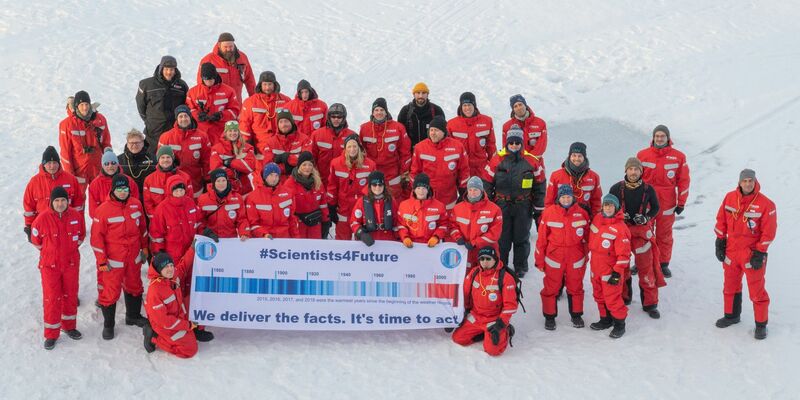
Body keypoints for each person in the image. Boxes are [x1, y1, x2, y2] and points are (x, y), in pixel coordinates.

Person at [714, 169, 776, 340]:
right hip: (732, 251)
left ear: (755, 182)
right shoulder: (729, 197)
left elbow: (769, 232)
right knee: (730, 286)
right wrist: (720, 241)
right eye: (744, 181)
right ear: (739, 182)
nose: (747, 184)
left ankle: (761, 325)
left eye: (750, 180)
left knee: (757, 290)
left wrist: (760, 252)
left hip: (752, 253)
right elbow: (721, 220)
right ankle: (731, 316)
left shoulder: (766, 204)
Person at [91, 175, 149, 340]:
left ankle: (133, 316)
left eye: (125, 189)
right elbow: (96, 238)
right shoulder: (103, 210)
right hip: (112, 260)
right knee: (110, 292)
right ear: (113, 190)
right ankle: (108, 325)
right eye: (119, 189)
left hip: (133, 256)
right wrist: (102, 260)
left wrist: (145, 248)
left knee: (135, 285)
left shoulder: (136, 205)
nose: (122, 192)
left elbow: (143, 228)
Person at [482, 127, 546, 277]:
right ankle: (501, 265)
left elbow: (540, 186)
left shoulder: (532, 161)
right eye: (512, 143)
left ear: (522, 143)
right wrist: (489, 206)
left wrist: (538, 209)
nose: (515, 145)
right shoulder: (497, 159)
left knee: (521, 238)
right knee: (502, 238)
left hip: (523, 206)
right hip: (501, 205)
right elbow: (486, 183)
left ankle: (521, 267)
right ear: (507, 143)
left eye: (518, 142)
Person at [608, 157, 665, 318]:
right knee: (622, 267)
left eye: (636, 169)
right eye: (631, 169)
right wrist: (619, 215)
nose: (633, 172)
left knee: (646, 268)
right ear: (626, 170)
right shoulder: (615, 188)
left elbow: (656, 208)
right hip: (622, 233)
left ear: (641, 171)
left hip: (641, 233)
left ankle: (650, 304)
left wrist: (646, 218)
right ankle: (624, 296)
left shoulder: (648, 189)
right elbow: (607, 207)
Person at [30, 187, 85, 350]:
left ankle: (69, 326)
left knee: (70, 294)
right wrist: (50, 253)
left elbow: (81, 236)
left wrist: (70, 251)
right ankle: (51, 333)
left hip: (71, 264)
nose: (60, 204)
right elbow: (36, 240)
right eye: (57, 201)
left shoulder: (76, 216)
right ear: (51, 202)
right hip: (50, 265)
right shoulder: (41, 219)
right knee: (52, 298)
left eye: (63, 200)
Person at [637, 125, 690, 278]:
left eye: (662, 136)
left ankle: (663, 263)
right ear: (653, 137)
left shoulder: (679, 157)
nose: (659, 138)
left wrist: (681, 202)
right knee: (643, 232)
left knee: (664, 234)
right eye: (657, 136)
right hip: (646, 200)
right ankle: (641, 262)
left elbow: (684, 181)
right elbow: (634, 178)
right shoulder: (642, 155)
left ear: (668, 138)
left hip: (667, 202)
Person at [534, 185, 590, 330]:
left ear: (573, 197)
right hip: (554, 256)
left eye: (568, 197)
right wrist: (539, 260)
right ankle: (549, 317)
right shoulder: (549, 213)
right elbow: (541, 239)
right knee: (551, 287)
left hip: (575, 257)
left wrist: (585, 256)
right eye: (563, 197)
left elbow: (587, 238)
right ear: (558, 198)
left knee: (576, 286)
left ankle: (576, 315)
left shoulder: (582, 214)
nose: (566, 199)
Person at [452, 246, 517, 356]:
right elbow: (464, 294)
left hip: (494, 320)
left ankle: (506, 331)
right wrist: (454, 314)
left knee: (493, 351)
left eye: (488, 259)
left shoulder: (505, 277)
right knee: (458, 339)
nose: (484, 262)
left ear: (495, 259)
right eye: (482, 259)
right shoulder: (474, 273)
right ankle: (484, 334)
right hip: (476, 316)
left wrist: (501, 323)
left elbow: (510, 305)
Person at [587, 194, 631, 338]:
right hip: (596, 267)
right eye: (606, 205)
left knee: (612, 298)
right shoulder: (598, 219)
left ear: (616, 207)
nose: (608, 208)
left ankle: (619, 324)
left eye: (611, 205)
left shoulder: (620, 228)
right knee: (599, 295)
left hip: (610, 271)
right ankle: (605, 320)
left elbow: (624, 254)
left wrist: (617, 272)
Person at [149, 175, 200, 297]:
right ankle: (176, 307)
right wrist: (159, 253)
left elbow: (199, 222)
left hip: (191, 250)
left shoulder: (190, 203)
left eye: (181, 190)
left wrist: (205, 233)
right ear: (170, 191)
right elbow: (156, 233)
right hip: (173, 255)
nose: (179, 192)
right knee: (176, 282)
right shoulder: (162, 208)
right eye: (176, 190)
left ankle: (188, 307)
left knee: (191, 279)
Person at [143, 251, 199, 358]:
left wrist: (193, 247)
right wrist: (187, 325)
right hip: (164, 325)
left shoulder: (171, 276)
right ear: (159, 270)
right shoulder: (155, 290)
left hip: (177, 315)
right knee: (190, 349)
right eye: (165, 267)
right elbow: (164, 321)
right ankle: (154, 337)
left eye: (171, 265)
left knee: (196, 303)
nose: (170, 269)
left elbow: (183, 265)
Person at [24, 146, 85, 241]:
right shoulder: (34, 182)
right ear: (43, 164)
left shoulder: (71, 179)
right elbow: (29, 208)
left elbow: (78, 205)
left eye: (55, 162)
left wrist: (79, 224)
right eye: (49, 163)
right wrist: (29, 226)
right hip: (44, 227)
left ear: (59, 163)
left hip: (67, 226)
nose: (52, 166)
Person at [410, 115, 469, 210]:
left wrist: (463, 191)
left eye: (436, 130)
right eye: (431, 130)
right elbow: (414, 172)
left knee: (448, 223)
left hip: (449, 198)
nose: (433, 133)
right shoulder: (420, 147)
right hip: (427, 196)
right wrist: (414, 192)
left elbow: (464, 171)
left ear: (444, 132)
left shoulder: (458, 147)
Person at [58, 90, 112, 191]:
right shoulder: (67, 124)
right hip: (79, 169)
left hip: (97, 167)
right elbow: (65, 153)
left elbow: (106, 142)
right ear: (76, 106)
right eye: (82, 104)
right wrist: (70, 175)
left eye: (87, 104)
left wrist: (109, 164)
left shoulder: (100, 119)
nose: (85, 107)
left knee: (100, 198)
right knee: (77, 201)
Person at [326, 134, 376, 240]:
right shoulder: (336, 163)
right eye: (349, 146)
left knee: (362, 239)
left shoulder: (370, 165)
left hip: (362, 208)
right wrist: (331, 206)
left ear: (359, 147)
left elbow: (373, 189)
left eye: (354, 146)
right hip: (343, 208)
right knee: (342, 239)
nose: (352, 149)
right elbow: (332, 186)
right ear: (345, 148)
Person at [358, 97, 411, 198]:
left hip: (392, 173)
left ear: (386, 112)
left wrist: (404, 172)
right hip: (372, 172)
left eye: (382, 110)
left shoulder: (398, 128)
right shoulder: (364, 128)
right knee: (372, 201)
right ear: (372, 113)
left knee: (393, 200)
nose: (379, 113)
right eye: (376, 110)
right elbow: (361, 152)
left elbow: (405, 152)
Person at [448, 177, 503, 270]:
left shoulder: (494, 209)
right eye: (470, 189)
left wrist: (475, 243)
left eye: (476, 190)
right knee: (465, 280)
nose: (472, 192)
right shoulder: (457, 208)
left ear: (481, 190)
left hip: (486, 255)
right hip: (465, 252)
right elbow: (452, 226)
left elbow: (495, 234)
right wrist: (457, 237)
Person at [136, 55, 189, 147]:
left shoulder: (182, 86)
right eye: (166, 69)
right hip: (154, 129)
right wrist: (149, 120)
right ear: (161, 68)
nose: (169, 72)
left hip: (174, 128)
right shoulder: (146, 85)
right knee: (153, 155)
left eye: (172, 69)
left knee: (172, 156)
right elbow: (141, 105)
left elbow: (186, 105)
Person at [157, 104, 211, 192]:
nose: (183, 119)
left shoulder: (202, 136)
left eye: (186, 116)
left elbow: (207, 160)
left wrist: (207, 179)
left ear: (190, 117)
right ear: (176, 119)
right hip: (173, 182)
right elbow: (160, 162)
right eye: (180, 116)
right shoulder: (166, 137)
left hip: (195, 181)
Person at [239, 71, 292, 157]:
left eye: (270, 84)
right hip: (260, 148)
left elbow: (292, 124)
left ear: (274, 85)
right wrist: (247, 145)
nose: (267, 87)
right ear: (260, 85)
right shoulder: (250, 102)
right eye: (265, 84)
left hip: (282, 147)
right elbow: (244, 124)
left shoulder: (286, 101)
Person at [187, 62, 239, 146]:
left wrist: (221, 115)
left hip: (221, 132)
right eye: (206, 79)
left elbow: (235, 111)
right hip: (201, 133)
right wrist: (198, 115)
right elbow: (189, 110)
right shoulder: (193, 92)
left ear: (215, 76)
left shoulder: (229, 91)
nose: (208, 82)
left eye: (210, 79)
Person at [545, 142, 602, 216]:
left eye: (580, 156)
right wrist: (548, 217)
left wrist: (595, 220)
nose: (576, 159)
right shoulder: (556, 176)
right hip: (562, 217)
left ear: (584, 157)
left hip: (584, 218)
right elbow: (549, 201)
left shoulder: (594, 177)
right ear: (569, 156)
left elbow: (596, 202)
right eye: (574, 155)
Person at [446, 92, 496, 177]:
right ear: (461, 107)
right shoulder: (451, 124)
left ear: (474, 106)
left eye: (470, 105)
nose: (467, 108)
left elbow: (491, 146)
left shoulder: (487, 121)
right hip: (462, 170)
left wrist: (494, 167)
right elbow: (448, 149)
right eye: (464, 105)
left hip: (481, 169)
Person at [245, 163, 299, 239]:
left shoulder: (288, 194)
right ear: (265, 177)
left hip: (284, 238)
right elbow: (253, 224)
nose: (274, 179)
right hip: (264, 240)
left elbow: (292, 220)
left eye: (276, 175)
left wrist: (296, 239)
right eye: (271, 175)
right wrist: (264, 234)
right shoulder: (253, 197)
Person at [196, 32, 256, 100]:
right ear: (219, 45)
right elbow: (201, 83)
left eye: (231, 46)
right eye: (225, 47)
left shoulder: (242, 58)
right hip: (216, 103)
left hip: (236, 102)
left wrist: (254, 99)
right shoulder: (208, 60)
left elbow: (250, 80)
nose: (228, 49)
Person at [283, 152, 329, 239]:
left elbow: (323, 204)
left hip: (315, 225)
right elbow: (286, 209)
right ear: (299, 166)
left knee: (315, 250)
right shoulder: (290, 184)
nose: (307, 168)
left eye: (310, 165)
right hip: (298, 225)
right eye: (304, 164)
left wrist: (326, 221)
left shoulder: (318, 182)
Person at [396, 174, 448, 248]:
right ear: (414, 189)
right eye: (418, 188)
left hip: (431, 246)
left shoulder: (439, 206)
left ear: (428, 189)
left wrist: (436, 237)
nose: (421, 191)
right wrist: (405, 237)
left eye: (424, 188)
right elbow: (401, 225)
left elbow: (444, 224)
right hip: (410, 246)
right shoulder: (404, 205)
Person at [143, 146, 195, 219]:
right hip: (159, 219)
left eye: (168, 157)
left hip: (179, 218)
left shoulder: (185, 177)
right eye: (162, 157)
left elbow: (189, 199)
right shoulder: (149, 180)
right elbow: (148, 203)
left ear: (172, 159)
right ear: (158, 159)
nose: (165, 160)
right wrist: (157, 218)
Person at [310, 103, 354, 188]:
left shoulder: (352, 136)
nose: (336, 119)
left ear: (344, 118)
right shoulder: (317, 134)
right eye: (333, 117)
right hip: (321, 181)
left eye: (339, 117)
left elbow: (357, 160)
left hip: (343, 182)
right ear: (329, 117)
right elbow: (311, 158)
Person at [197, 169, 249, 239]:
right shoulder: (203, 199)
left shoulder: (237, 198)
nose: (221, 183)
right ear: (213, 183)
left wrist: (244, 233)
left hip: (230, 240)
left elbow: (242, 219)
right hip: (210, 239)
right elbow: (199, 221)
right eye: (218, 181)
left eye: (223, 180)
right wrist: (205, 232)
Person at [349, 171, 398, 246]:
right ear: (369, 186)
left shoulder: (391, 201)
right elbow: (354, 222)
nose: (377, 187)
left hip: (388, 242)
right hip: (368, 241)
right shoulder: (361, 201)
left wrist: (400, 238)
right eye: (374, 185)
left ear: (384, 186)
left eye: (380, 185)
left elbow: (397, 222)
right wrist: (361, 234)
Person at [88, 149, 140, 218]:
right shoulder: (95, 185)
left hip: (126, 219)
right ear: (102, 166)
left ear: (118, 164)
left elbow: (135, 203)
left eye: (113, 163)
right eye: (106, 164)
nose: (110, 166)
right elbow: (93, 211)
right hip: (106, 221)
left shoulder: (129, 181)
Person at [210, 121, 256, 195]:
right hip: (227, 189)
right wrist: (233, 173)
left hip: (246, 188)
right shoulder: (217, 149)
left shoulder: (247, 147)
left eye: (235, 130)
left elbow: (250, 167)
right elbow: (215, 168)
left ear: (238, 132)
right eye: (230, 131)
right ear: (225, 132)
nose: (233, 133)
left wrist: (231, 162)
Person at [260, 110, 311, 177]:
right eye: (281, 122)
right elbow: (268, 166)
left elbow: (306, 161)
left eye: (286, 121)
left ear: (292, 122)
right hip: (278, 182)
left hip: (299, 180)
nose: (284, 125)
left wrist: (287, 157)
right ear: (277, 125)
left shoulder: (304, 139)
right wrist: (288, 168)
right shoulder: (270, 142)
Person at [397, 82, 445, 149]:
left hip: (431, 151)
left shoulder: (436, 110)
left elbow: (443, 133)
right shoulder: (405, 111)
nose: (420, 96)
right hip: (411, 150)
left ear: (427, 94)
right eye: (418, 93)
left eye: (423, 93)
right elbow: (400, 132)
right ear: (414, 94)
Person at [118, 129, 156, 201]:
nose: (134, 145)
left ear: (142, 143)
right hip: (127, 198)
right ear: (127, 144)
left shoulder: (153, 159)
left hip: (148, 197)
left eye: (137, 143)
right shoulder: (119, 160)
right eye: (131, 143)